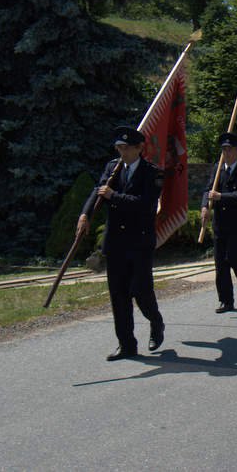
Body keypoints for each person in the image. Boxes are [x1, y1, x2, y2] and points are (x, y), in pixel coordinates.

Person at [76, 126, 165, 361]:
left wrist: (113, 196)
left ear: (139, 148)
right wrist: (85, 214)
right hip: (115, 242)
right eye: (119, 148)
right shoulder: (112, 167)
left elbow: (145, 204)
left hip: (139, 242)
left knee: (141, 291)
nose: (122, 152)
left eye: (126, 148)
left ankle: (156, 322)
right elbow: (98, 191)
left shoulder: (152, 173)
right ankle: (126, 344)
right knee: (118, 295)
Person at [201, 132, 237, 314]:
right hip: (220, 222)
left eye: (230, 149)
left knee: (233, 257)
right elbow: (208, 190)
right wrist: (204, 207)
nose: (226, 153)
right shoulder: (217, 169)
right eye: (224, 149)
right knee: (220, 263)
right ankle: (226, 300)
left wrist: (220, 197)